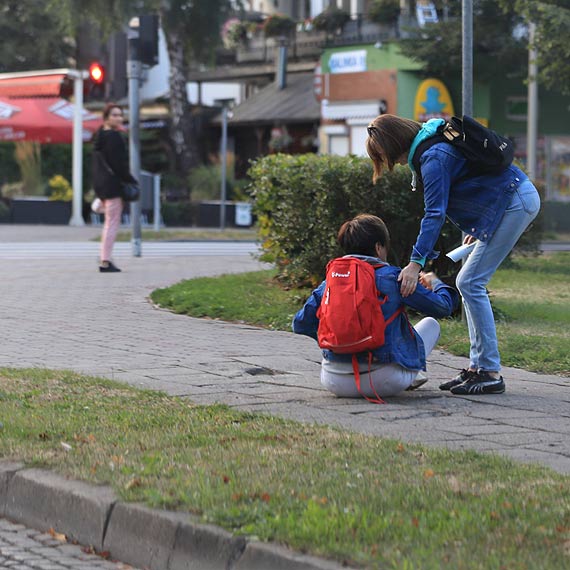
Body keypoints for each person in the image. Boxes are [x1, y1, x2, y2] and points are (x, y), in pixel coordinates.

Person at [365, 114, 541, 395]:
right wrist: (485, 219)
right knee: (467, 283)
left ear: (393, 143)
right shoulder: (430, 144)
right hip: (510, 199)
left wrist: (414, 264)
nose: (390, 163)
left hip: (515, 201)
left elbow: (434, 214)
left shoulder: (432, 158)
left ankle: (490, 372)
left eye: (383, 155)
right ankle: (478, 368)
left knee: (470, 283)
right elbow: (473, 179)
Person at [292, 214, 459, 399]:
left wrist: (337, 341)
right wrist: (435, 283)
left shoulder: (331, 280)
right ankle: (410, 372)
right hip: (383, 381)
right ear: (378, 248)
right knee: (430, 324)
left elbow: (299, 324)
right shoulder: (394, 277)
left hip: (334, 381)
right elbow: (444, 307)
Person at [92, 103, 137, 273]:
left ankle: (105, 256)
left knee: (108, 222)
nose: (119, 118)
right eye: (115, 115)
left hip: (102, 186)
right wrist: (131, 180)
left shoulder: (99, 137)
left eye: (120, 115)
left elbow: (97, 166)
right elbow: (120, 165)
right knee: (111, 223)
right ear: (106, 117)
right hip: (113, 186)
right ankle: (105, 260)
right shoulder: (114, 137)